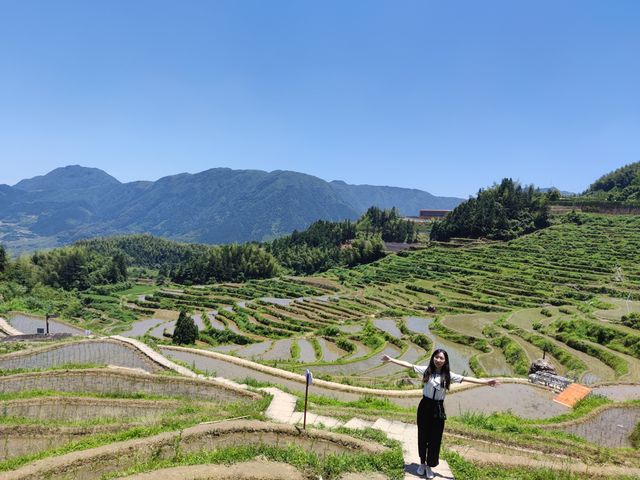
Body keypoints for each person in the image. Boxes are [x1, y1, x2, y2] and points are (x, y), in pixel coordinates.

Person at [382, 349, 499, 478]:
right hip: (425, 406)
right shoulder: (427, 370)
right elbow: (409, 365)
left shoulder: (449, 375)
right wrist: (391, 360)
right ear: (433, 358)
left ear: (445, 361)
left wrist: (486, 382)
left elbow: (466, 378)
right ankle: (422, 463)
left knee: (435, 438)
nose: (438, 360)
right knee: (423, 435)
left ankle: (429, 466)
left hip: (438, 408)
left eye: (441, 358)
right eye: (436, 357)